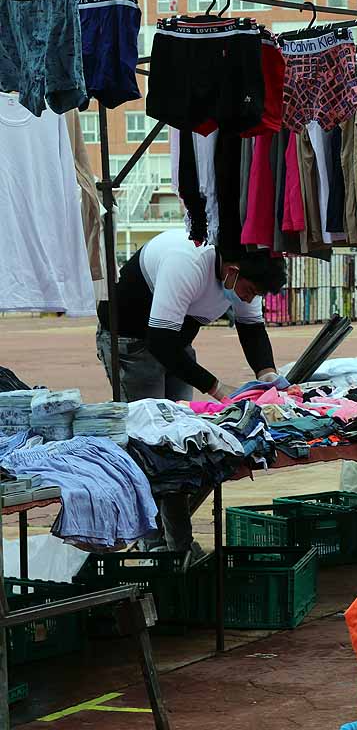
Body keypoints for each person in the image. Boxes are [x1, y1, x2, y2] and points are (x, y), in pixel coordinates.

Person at [96, 229, 287, 554]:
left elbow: (252, 329)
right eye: (249, 291)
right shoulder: (187, 262)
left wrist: (267, 373)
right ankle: (151, 545)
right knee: (148, 444)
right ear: (232, 271)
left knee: (177, 447)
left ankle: (179, 545)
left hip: (173, 344)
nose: (248, 299)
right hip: (133, 342)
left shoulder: (240, 277)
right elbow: (159, 341)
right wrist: (216, 387)